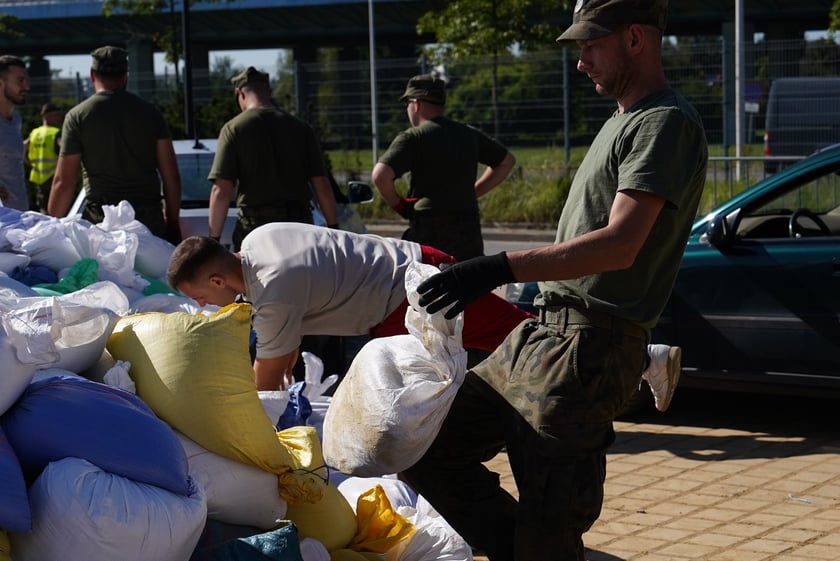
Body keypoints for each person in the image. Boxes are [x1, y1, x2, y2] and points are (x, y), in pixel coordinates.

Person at [404, 1, 708, 559]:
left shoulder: (663, 122)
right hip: (542, 334)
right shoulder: (625, 120)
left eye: (591, 45)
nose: (581, 62)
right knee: (423, 446)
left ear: (635, 38)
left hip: (588, 348)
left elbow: (620, 246)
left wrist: (499, 266)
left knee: (551, 519)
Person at [167, 223, 681, 407]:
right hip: (415, 264)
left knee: (521, 339)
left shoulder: (272, 293)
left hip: (415, 298)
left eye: (203, 298)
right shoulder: (258, 239)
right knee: (514, 334)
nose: (205, 307)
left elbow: (270, 378)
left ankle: (644, 358)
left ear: (216, 280)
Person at [371, 74, 516, 261]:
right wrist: (472, 192)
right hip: (468, 234)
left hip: (430, 234)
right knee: (468, 286)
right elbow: (506, 162)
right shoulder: (469, 134)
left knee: (426, 287)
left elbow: (380, 175)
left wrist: (399, 205)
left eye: (407, 103)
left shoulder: (414, 137)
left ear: (416, 104)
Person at [47, 46, 182, 244]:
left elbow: (64, 181)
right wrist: (172, 222)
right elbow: (171, 176)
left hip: (100, 223)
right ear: (125, 76)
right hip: (147, 220)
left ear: (92, 75)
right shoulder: (150, 113)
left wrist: (51, 226)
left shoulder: (78, 116)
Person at [207, 66, 338, 252]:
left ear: (240, 94)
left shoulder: (234, 129)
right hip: (299, 227)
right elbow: (321, 185)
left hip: (256, 229)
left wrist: (214, 239)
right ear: (268, 92)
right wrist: (333, 228)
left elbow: (221, 191)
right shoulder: (300, 128)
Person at [0, 55, 30, 211]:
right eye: (20, 80)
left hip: (18, 218)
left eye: (26, 80)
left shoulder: (16, 119)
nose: (27, 86)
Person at [24, 102, 62, 212]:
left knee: (43, 209)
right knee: (57, 211)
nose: (59, 118)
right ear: (47, 116)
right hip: (54, 177)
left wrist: (29, 163)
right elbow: (65, 150)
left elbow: (22, 147)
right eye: (56, 115)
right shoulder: (55, 133)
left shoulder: (34, 133)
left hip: (39, 178)